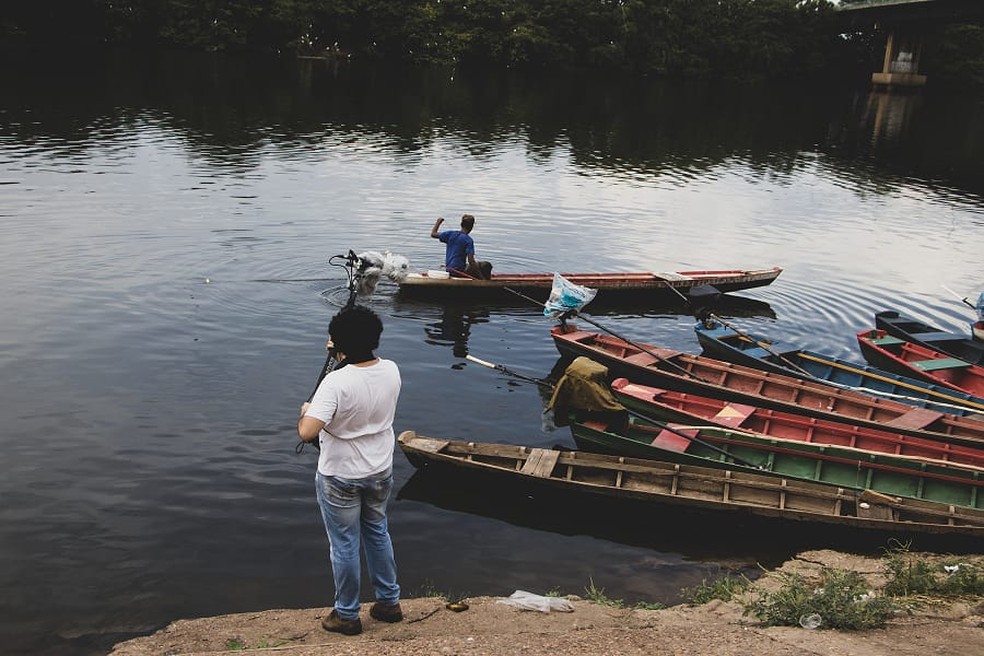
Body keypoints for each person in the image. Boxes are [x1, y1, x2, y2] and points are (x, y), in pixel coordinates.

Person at [297, 305, 403, 636]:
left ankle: (346, 614)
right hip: (380, 469)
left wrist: (306, 411)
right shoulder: (391, 370)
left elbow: (307, 432)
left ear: (337, 342)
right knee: (377, 532)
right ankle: (389, 603)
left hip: (340, 475)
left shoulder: (335, 382)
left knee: (344, 544)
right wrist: (341, 348)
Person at [430, 214, 492, 279]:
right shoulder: (468, 240)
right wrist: (481, 277)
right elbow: (471, 261)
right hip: (459, 271)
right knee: (486, 265)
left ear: (461, 224)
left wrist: (438, 222)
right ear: (471, 226)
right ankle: (486, 283)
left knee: (472, 266)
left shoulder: (450, 234)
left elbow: (433, 234)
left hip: (449, 270)